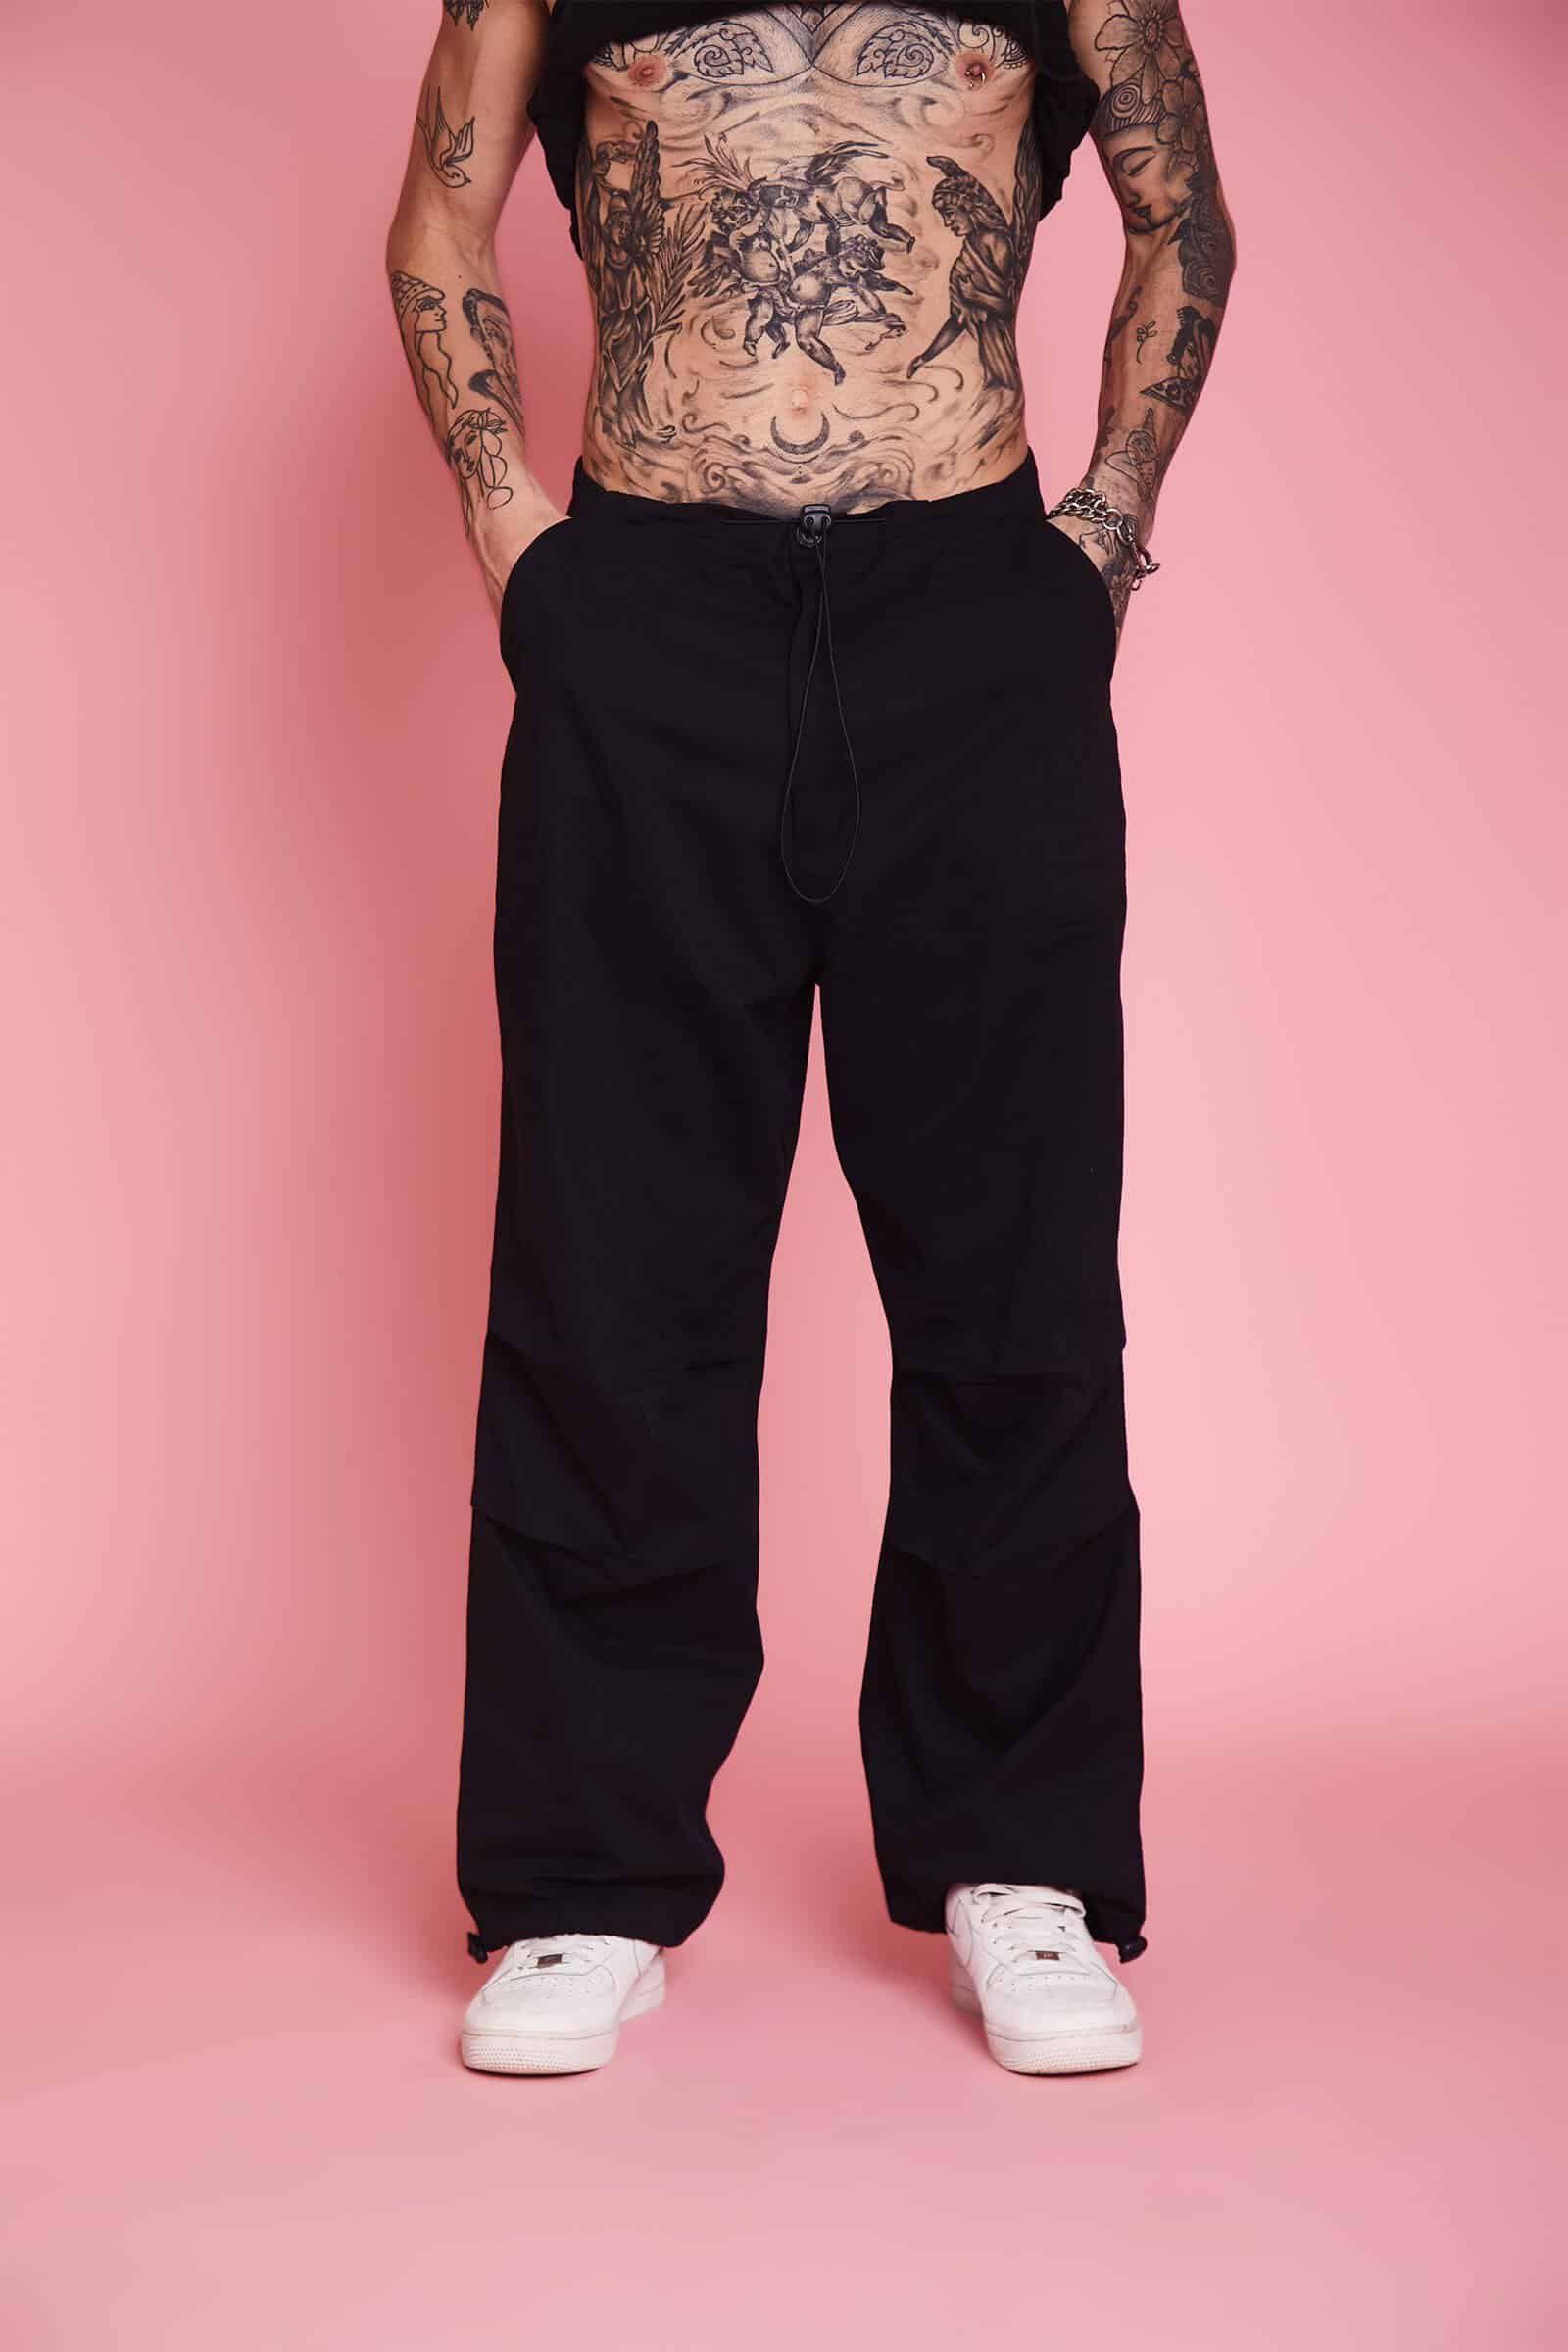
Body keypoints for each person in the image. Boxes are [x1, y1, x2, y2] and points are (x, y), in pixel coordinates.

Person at [385, 0, 1235, 2078]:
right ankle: (581, 1883)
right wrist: (521, 552)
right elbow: (437, 219)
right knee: (610, 1267)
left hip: (974, 618)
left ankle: (1020, 1862)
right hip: (645, 619)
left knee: (1014, 1273)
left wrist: (1096, 543)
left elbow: (1183, 217)